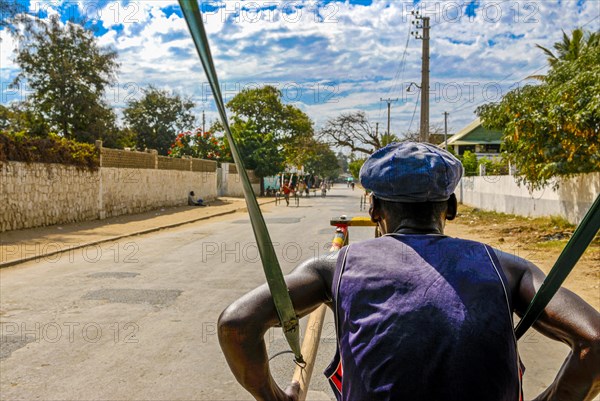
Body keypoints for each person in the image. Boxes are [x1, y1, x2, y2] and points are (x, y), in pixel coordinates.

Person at [218, 142, 600, 401]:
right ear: (449, 208)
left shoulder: (334, 269)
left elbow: (236, 324)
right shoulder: (505, 266)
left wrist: (274, 397)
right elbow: (595, 340)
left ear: (373, 210)